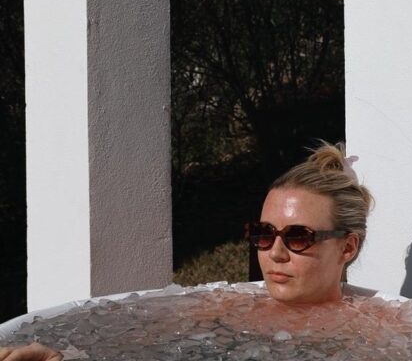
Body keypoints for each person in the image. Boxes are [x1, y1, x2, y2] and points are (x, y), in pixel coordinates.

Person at [1, 142, 374, 361]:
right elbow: (130, 346)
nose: (274, 252)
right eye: (263, 234)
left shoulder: (374, 334)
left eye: (298, 236)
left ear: (347, 246)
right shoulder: (225, 307)